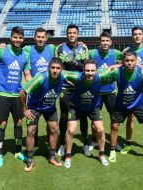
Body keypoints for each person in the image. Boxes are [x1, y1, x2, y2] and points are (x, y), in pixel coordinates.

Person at [0, 26, 31, 168]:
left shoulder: (25, 54)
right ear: (11, 37)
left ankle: (18, 151)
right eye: (15, 37)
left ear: (23, 39)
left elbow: (27, 74)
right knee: (3, 123)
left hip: (17, 95)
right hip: (2, 94)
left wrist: (33, 86)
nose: (18, 40)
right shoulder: (1, 50)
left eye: (20, 38)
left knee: (18, 122)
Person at [108, 50, 143, 163]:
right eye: (127, 60)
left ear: (136, 61)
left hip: (139, 104)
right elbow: (103, 79)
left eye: (132, 60)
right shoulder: (117, 72)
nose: (129, 63)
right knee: (114, 126)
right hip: (121, 104)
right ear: (123, 61)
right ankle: (113, 150)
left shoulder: (142, 72)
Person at [64, 59, 112, 168]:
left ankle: (101, 155)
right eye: (87, 70)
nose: (90, 73)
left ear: (96, 71)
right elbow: (63, 73)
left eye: (92, 70)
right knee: (71, 130)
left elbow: (114, 68)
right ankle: (68, 156)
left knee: (101, 129)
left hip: (92, 107)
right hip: (76, 106)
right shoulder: (77, 76)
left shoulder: (100, 76)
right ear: (83, 70)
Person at [20, 58, 65, 172]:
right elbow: (23, 92)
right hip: (34, 107)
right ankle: (30, 160)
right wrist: (25, 110)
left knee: (54, 130)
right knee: (31, 131)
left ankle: (52, 156)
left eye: (58, 68)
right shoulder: (40, 78)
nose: (55, 70)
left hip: (50, 107)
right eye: (52, 67)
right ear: (49, 68)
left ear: (61, 69)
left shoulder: (63, 77)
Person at [55, 24, 90, 157]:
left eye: (74, 33)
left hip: (80, 86)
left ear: (77, 34)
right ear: (66, 34)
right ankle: (62, 144)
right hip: (65, 86)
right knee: (64, 116)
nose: (72, 35)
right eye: (69, 32)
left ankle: (86, 143)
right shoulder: (60, 48)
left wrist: (75, 63)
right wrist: (67, 77)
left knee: (83, 115)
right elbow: (57, 67)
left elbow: (87, 68)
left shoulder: (84, 47)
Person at [120, 26, 143, 155]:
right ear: (132, 36)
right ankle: (128, 143)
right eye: (135, 34)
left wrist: (133, 66)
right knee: (130, 118)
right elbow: (121, 65)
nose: (137, 36)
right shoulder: (126, 51)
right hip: (130, 90)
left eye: (139, 34)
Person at [23, 27, 56, 150]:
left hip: (49, 93)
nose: (40, 39)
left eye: (43, 37)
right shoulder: (27, 50)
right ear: (34, 38)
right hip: (34, 93)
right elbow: (27, 73)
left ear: (46, 38)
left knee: (51, 124)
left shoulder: (52, 49)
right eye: (38, 37)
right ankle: (34, 144)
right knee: (32, 126)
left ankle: (50, 143)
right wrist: (3, 45)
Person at [89, 31, 122, 151]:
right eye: (103, 41)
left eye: (107, 41)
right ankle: (93, 140)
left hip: (110, 92)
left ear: (111, 42)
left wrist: (112, 66)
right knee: (94, 120)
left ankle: (114, 142)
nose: (105, 43)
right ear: (99, 42)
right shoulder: (93, 53)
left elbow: (126, 62)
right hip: (96, 92)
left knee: (114, 119)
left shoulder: (116, 53)